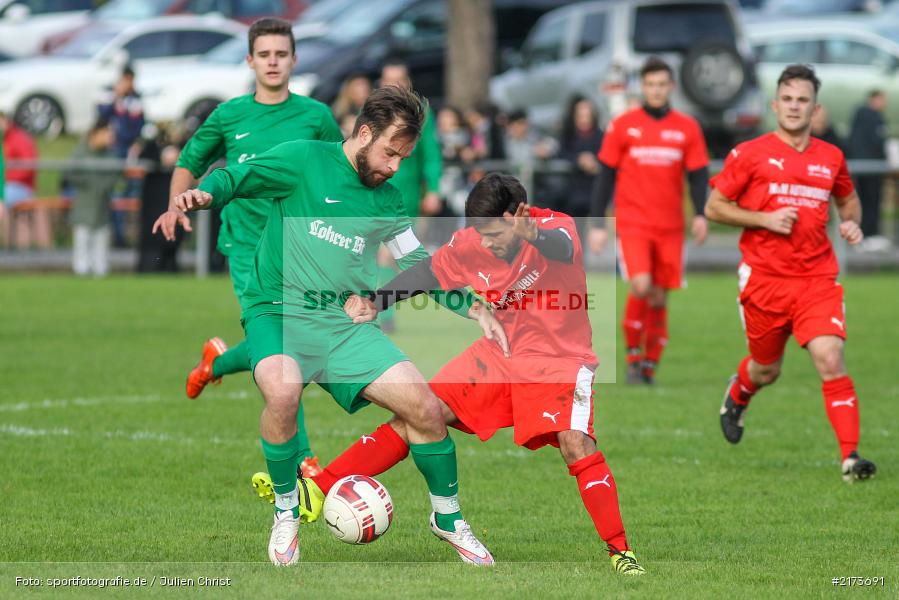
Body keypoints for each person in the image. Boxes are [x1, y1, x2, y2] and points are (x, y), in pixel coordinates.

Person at [162, 84, 503, 566]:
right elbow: (236, 177)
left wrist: (471, 306)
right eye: (389, 152)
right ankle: (286, 510)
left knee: (426, 409)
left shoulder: (384, 200)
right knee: (282, 392)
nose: (394, 167)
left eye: (404, 157)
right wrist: (201, 194)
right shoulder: (304, 159)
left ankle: (447, 519)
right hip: (276, 310)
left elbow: (418, 263)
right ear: (364, 133)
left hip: (340, 321)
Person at [280, 173, 643, 574]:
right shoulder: (472, 243)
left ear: (518, 216)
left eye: (493, 233)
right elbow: (427, 273)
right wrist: (376, 302)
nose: (485, 242)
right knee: (422, 412)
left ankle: (620, 552)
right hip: (500, 353)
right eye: (480, 234)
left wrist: (531, 234)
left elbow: (563, 248)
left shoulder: (555, 226)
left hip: (559, 360)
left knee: (576, 443)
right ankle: (318, 486)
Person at [152, 18, 344, 478]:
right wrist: (176, 203)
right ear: (250, 60)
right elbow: (189, 162)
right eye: (265, 54)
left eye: (281, 54)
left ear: (294, 60)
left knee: (286, 346)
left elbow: (339, 173)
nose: (273, 62)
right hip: (245, 248)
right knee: (283, 356)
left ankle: (217, 361)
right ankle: (304, 459)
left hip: (301, 250)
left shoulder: (316, 116)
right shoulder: (229, 115)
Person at [705, 64, 876, 483]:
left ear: (816, 108)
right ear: (774, 104)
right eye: (788, 99)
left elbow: (849, 202)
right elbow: (714, 206)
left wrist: (852, 222)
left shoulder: (831, 157)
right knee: (767, 370)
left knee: (830, 357)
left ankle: (851, 459)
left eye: (803, 100)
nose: (795, 107)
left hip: (817, 279)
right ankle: (739, 392)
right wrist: (763, 219)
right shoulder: (750, 153)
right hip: (764, 280)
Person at [588, 57, 710, 384]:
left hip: (671, 226)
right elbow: (605, 177)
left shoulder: (687, 127)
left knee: (659, 296)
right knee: (640, 285)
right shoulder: (623, 125)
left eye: (662, 84)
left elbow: (698, 176)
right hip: (634, 223)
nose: (656, 90)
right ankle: (632, 357)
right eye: (650, 84)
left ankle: (650, 366)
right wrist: (598, 225)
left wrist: (700, 214)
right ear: (643, 87)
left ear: (671, 87)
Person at [375, 58, 442, 331]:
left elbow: (431, 155)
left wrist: (434, 189)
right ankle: (385, 317)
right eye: (389, 81)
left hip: (408, 197)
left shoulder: (422, 112)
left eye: (400, 81)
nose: (394, 87)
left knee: (400, 257)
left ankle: (385, 310)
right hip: (376, 193)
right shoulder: (373, 111)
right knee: (384, 255)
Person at [97, 66, 145, 247]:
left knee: (131, 195)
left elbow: (139, 125)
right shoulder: (107, 93)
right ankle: (118, 237)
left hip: (130, 154)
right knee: (115, 195)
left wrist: (137, 143)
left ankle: (128, 237)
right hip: (112, 152)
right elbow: (101, 118)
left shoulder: (136, 99)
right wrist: (117, 97)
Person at [67, 119, 120, 277]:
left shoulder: (111, 155)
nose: (110, 137)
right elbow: (73, 174)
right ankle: (81, 271)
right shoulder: (80, 153)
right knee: (82, 238)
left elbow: (113, 177)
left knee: (101, 238)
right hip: (84, 204)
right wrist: (93, 184)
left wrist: (99, 185)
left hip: (102, 205)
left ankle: (100, 271)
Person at [558, 96, 603, 244]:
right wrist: (578, 160)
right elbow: (561, 155)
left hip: (594, 194)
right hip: (571, 196)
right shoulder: (567, 136)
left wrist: (595, 163)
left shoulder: (600, 136)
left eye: (588, 115)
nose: (584, 120)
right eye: (580, 115)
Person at [848, 90, 889, 251]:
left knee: (864, 200)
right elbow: (877, 142)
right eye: (882, 99)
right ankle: (868, 236)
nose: (884, 103)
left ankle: (863, 236)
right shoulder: (872, 116)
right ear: (874, 99)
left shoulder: (860, 116)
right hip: (870, 167)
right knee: (869, 200)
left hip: (863, 167)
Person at [1, 111, 48, 250]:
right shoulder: (7, 139)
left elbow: (28, 167)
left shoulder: (18, 138)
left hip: (20, 187)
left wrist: (6, 178)